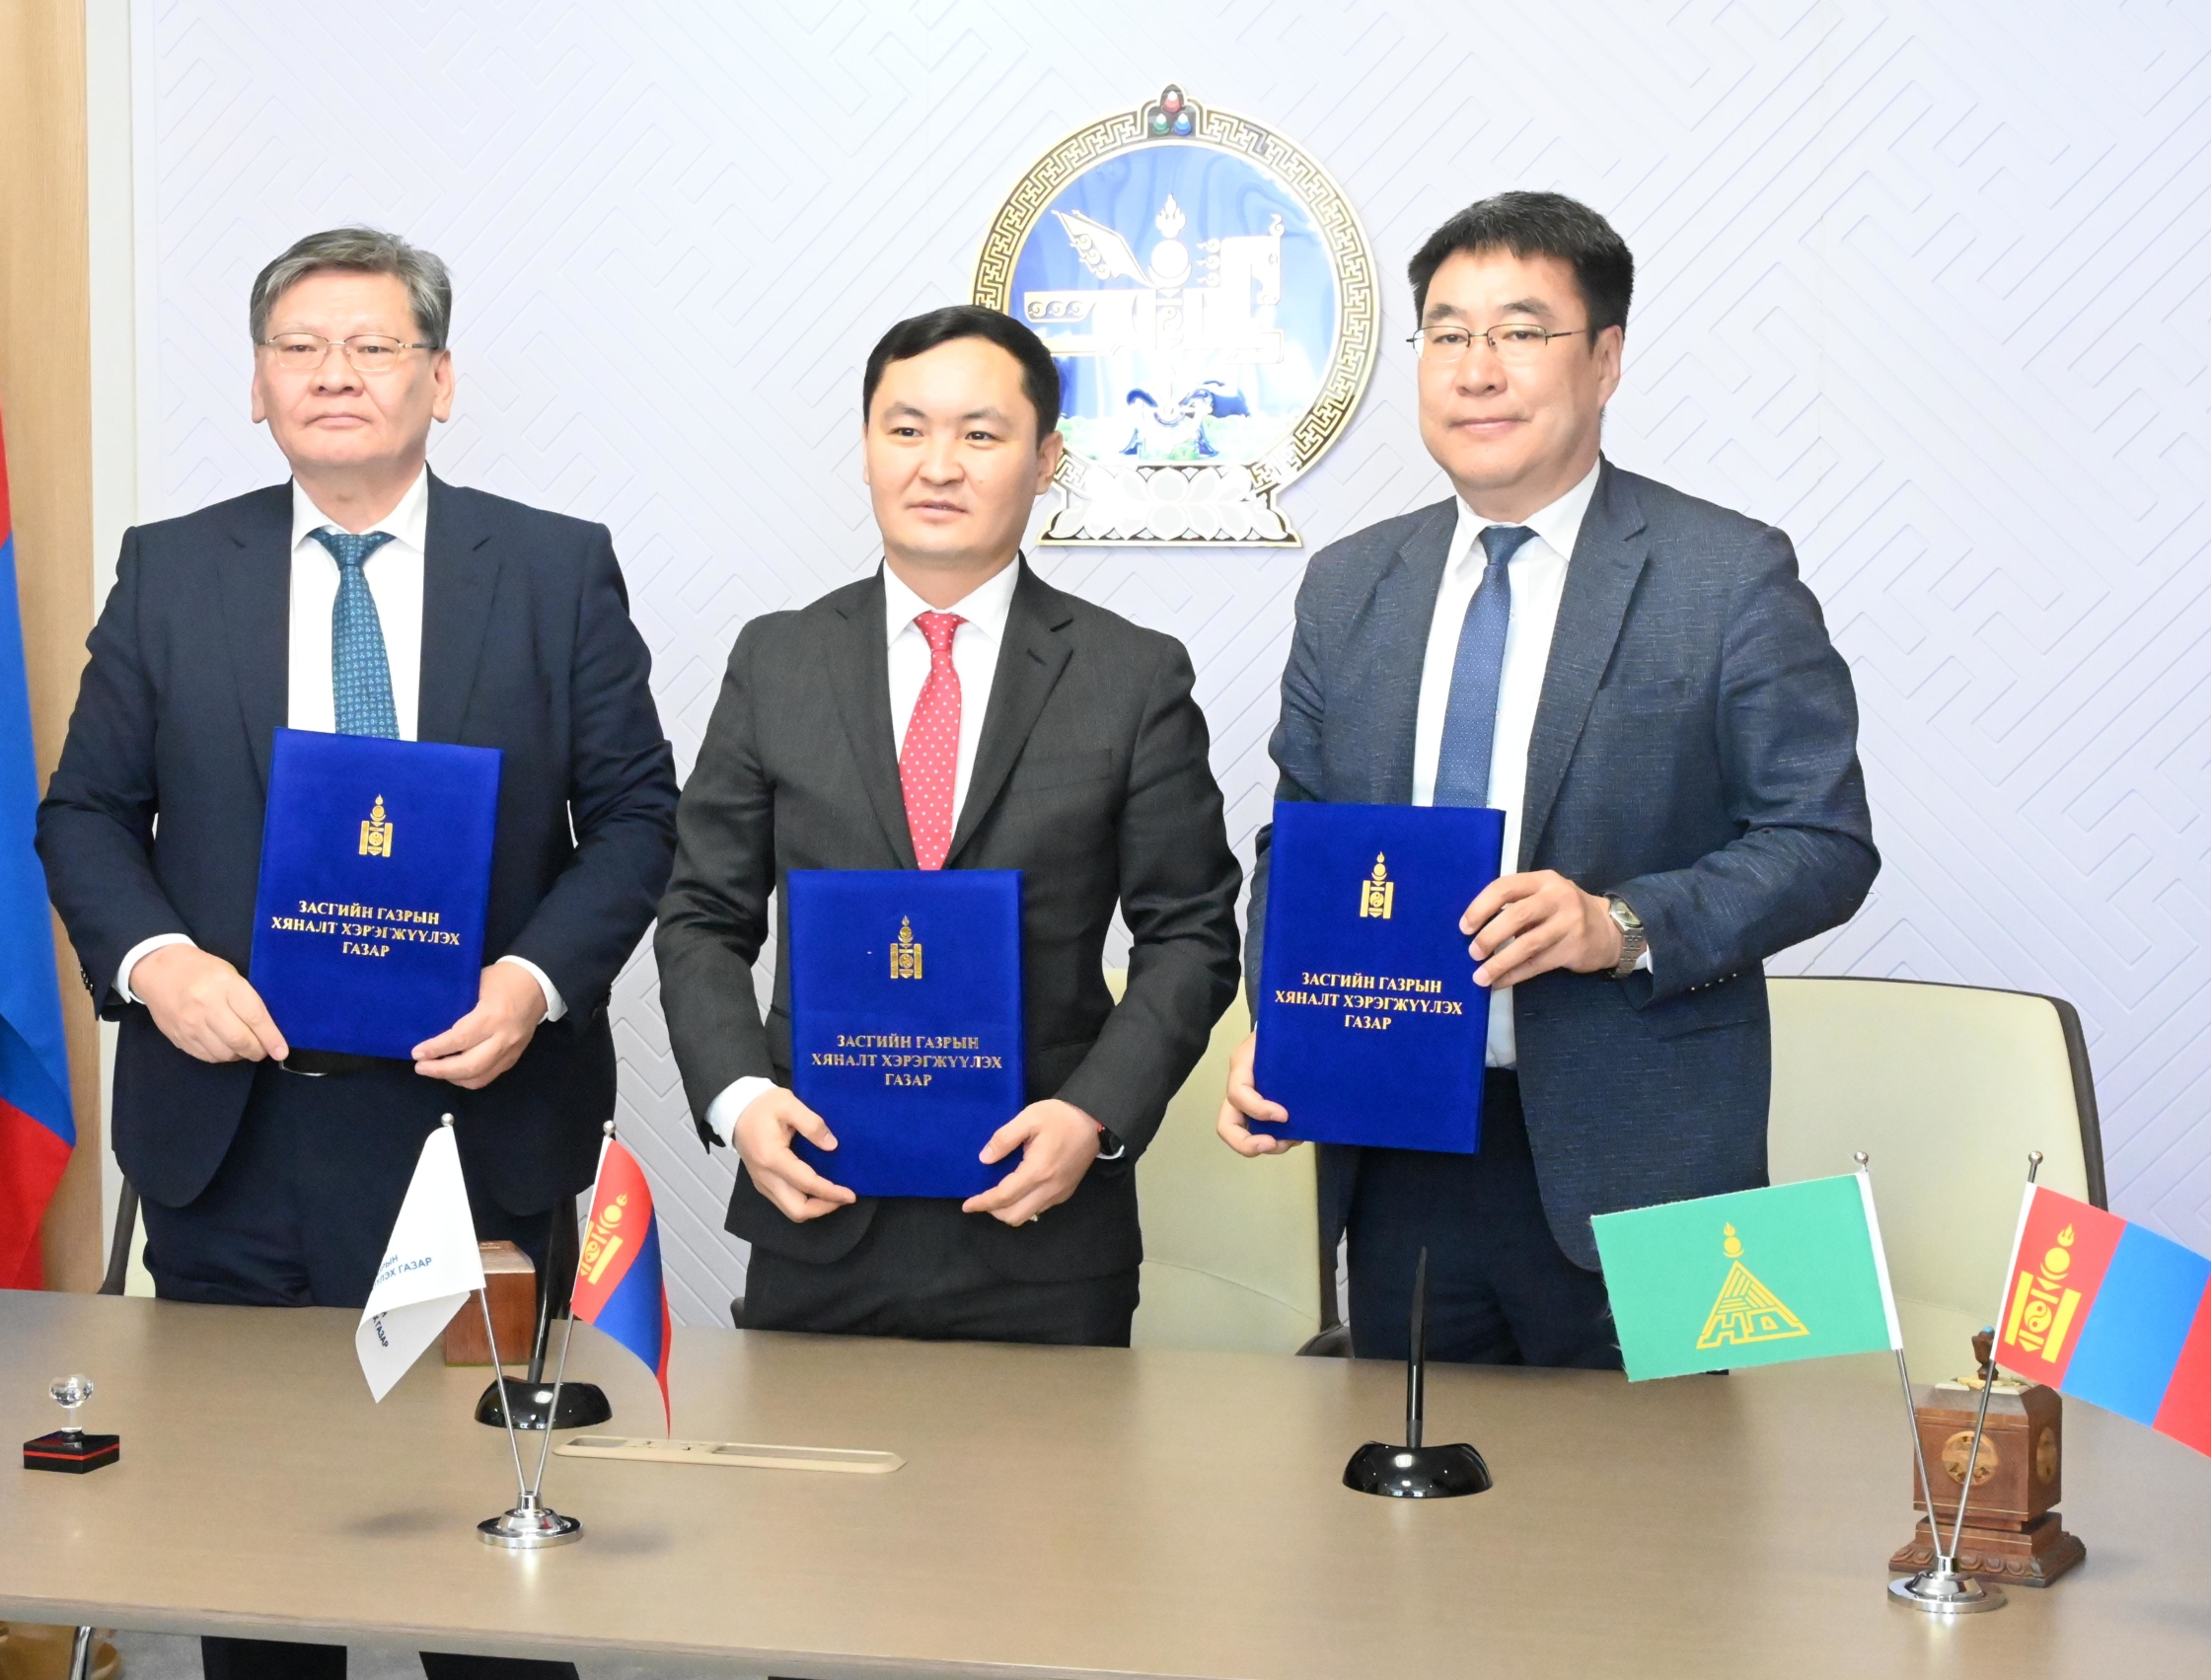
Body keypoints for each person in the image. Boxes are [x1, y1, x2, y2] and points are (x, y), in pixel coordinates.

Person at [38, 228, 677, 1680]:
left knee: (495, 1575)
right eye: (300, 347)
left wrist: (532, 982)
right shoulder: (172, 567)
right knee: (261, 1566)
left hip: (476, 1128)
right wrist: (156, 962)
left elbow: (641, 814)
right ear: (257, 383)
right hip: (236, 1130)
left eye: (375, 346)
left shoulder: (554, 567)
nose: (336, 374)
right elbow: (84, 812)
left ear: (439, 380)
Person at [1217, 191, 1877, 1368]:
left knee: (1672, 1480)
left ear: (1605, 358)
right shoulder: (1350, 584)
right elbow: (1301, 843)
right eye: (1447, 332)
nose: (1477, 369)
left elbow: (1822, 842)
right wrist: (1287, 1028)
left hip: (1656, 1157)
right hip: (1400, 1151)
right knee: (1406, 1474)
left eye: (1520, 332)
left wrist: (1617, 923)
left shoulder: (1726, 574)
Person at [655, 304, 1241, 1347]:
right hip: (816, 1203)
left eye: (980, 433)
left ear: (1045, 458)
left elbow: (1191, 932)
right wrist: (739, 1098)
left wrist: (1094, 1115)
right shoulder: (778, 660)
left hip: (1043, 1219)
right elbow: (702, 911)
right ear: (867, 447)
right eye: (905, 428)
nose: (938, 465)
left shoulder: (1131, 674)